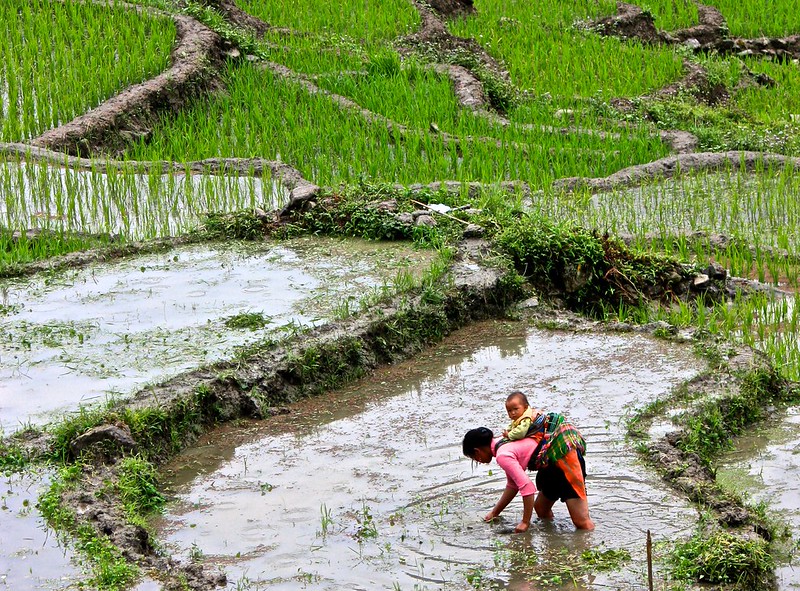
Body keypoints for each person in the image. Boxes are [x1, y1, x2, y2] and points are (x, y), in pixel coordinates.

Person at [462, 420, 594, 532]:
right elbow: (512, 485)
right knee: (541, 509)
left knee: (582, 523)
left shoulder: (502, 454)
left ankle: (588, 545)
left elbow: (527, 488)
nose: (478, 461)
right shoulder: (504, 442)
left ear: (477, 451)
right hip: (550, 465)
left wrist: (525, 522)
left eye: (474, 458)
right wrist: (494, 513)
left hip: (566, 462)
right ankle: (553, 542)